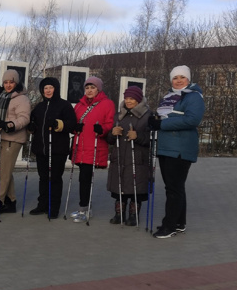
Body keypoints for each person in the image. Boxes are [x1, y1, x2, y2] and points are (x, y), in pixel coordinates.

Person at [148, 65, 205, 238]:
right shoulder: (169, 96)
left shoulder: (194, 97)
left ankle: (169, 226)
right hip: (166, 147)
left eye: (182, 77)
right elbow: (168, 117)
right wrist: (155, 120)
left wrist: (162, 124)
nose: (179, 80)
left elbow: (192, 120)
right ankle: (179, 222)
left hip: (180, 148)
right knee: (175, 187)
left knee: (174, 188)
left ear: (189, 79)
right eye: (175, 78)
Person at [28, 77, 76, 218]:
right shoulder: (39, 107)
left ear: (56, 89)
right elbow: (33, 123)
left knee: (55, 178)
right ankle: (42, 204)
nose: (48, 91)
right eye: (45, 88)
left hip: (57, 149)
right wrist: (31, 127)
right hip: (42, 148)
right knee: (43, 178)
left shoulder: (64, 105)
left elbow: (72, 124)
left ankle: (53, 207)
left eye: (50, 88)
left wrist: (58, 124)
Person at [69, 76, 115, 223]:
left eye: (92, 87)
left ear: (98, 89)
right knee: (82, 178)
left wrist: (102, 129)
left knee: (86, 178)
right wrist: (74, 128)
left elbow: (110, 123)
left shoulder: (107, 104)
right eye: (87, 88)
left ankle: (85, 209)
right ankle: (83, 207)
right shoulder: (80, 105)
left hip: (94, 145)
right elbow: (74, 122)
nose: (89, 90)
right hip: (80, 146)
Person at [0, 69, 30, 216]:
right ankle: (11, 201)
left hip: (13, 138)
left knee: (3, 172)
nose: (8, 85)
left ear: (16, 83)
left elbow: (24, 118)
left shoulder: (21, 99)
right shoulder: (1, 95)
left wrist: (9, 125)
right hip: (0, 137)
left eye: (11, 82)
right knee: (5, 171)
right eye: (6, 82)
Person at [106, 85, 151, 226]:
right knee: (120, 188)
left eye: (131, 98)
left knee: (135, 188)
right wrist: (113, 133)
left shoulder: (147, 115)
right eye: (126, 98)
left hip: (137, 158)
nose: (128, 101)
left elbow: (152, 138)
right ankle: (119, 214)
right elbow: (109, 139)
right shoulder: (119, 115)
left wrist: (138, 136)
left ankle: (133, 216)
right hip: (120, 157)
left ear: (138, 100)